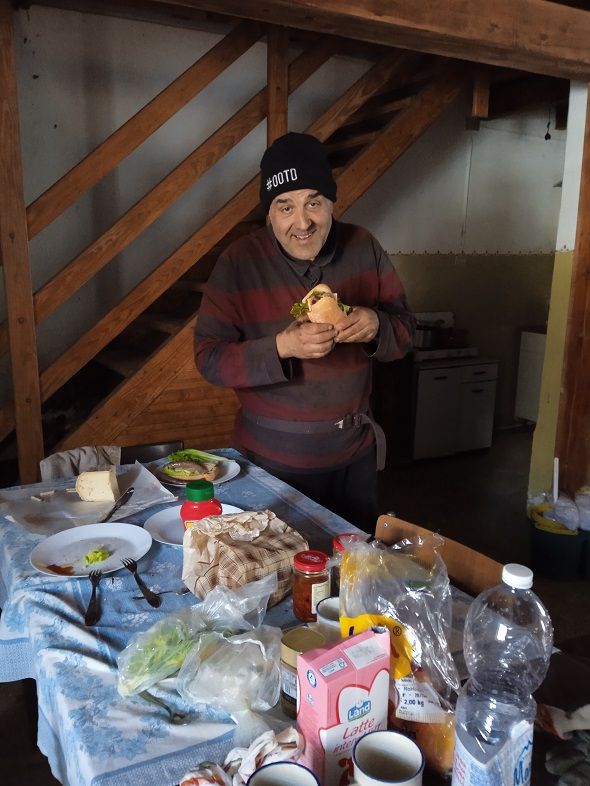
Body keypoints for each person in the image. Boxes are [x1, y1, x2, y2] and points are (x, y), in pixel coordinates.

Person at [194, 132, 414, 532]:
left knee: (353, 564)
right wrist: (282, 346)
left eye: (314, 202)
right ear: (269, 214)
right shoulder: (239, 262)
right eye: (285, 206)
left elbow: (404, 333)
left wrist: (376, 324)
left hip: (355, 460)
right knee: (280, 566)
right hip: (270, 465)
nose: (302, 222)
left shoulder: (363, 246)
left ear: (331, 202)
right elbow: (208, 359)